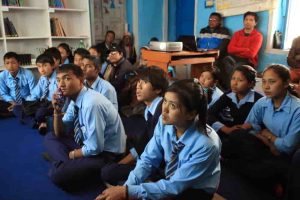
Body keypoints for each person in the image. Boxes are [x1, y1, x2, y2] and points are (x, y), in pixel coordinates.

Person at [96, 79, 221, 200]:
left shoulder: (207, 144)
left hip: (195, 189)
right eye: (165, 101)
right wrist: (126, 189)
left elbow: (175, 186)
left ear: (191, 114)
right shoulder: (165, 122)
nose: (164, 109)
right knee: (117, 178)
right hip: (169, 176)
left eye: (172, 105)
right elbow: (148, 159)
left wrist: (128, 192)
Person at [44, 64, 126, 190]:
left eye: (67, 78)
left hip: (105, 154)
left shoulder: (91, 104)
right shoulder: (75, 99)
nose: (61, 85)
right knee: (50, 137)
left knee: (56, 175)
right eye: (58, 80)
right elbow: (59, 133)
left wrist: (72, 154)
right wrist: (57, 111)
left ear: (81, 80)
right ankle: (67, 164)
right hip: (86, 144)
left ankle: (63, 163)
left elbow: (95, 148)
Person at [226, 64, 300, 196]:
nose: (266, 86)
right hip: (267, 149)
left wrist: (269, 136)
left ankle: (270, 180)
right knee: (236, 136)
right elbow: (249, 126)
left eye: (272, 82)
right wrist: (265, 139)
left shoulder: (297, 109)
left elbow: (288, 147)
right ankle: (269, 180)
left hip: (284, 157)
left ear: (286, 83)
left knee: (245, 164)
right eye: (264, 81)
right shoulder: (262, 102)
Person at [101, 66, 168, 185]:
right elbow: (144, 142)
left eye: (145, 82)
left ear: (158, 89)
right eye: (139, 82)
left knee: (108, 172)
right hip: (148, 156)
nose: (138, 86)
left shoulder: (162, 113)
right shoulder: (149, 109)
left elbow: (158, 152)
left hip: (160, 166)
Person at [207, 65, 263, 140]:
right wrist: (225, 129)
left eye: (240, 80)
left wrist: (250, 126)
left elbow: (262, 124)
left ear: (251, 83)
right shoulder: (229, 95)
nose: (234, 83)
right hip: (231, 130)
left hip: (248, 134)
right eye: (233, 79)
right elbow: (210, 113)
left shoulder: (258, 100)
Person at [220, 11, 263, 91]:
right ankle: (228, 88)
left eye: (251, 20)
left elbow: (251, 54)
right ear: (243, 21)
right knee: (219, 64)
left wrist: (237, 49)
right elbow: (230, 49)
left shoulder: (258, 36)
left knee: (236, 69)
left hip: (248, 61)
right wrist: (245, 49)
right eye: (246, 19)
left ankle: (230, 90)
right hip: (233, 58)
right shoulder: (237, 34)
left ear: (255, 23)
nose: (248, 22)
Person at [27, 54, 57, 134]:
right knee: (20, 108)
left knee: (40, 112)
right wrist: (27, 102)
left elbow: (60, 99)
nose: (42, 69)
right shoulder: (43, 78)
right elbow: (35, 93)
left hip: (52, 104)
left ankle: (37, 121)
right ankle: (41, 122)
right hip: (43, 102)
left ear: (53, 65)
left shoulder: (58, 78)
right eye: (39, 66)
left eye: (45, 65)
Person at [0, 52, 36, 118]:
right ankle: (17, 112)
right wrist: (14, 103)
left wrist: (21, 104)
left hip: (26, 102)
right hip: (11, 102)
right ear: (4, 64)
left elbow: (33, 93)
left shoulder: (28, 74)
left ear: (19, 63)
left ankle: (15, 112)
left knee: (35, 106)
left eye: (13, 63)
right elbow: (3, 93)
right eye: (7, 63)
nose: (10, 66)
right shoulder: (2, 75)